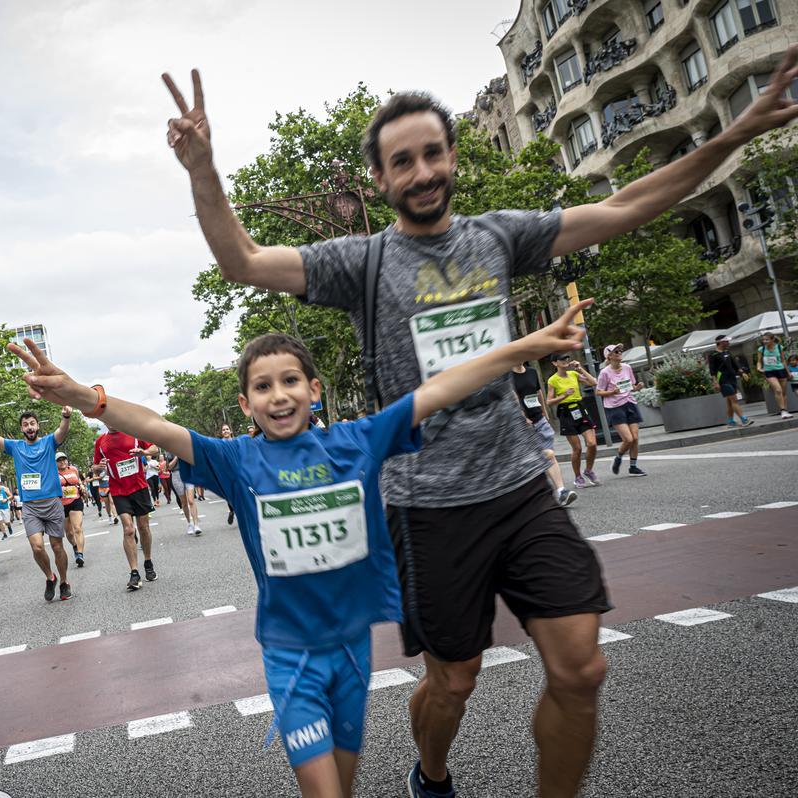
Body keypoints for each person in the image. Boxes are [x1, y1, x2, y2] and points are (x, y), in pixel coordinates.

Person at [158, 55, 798, 795]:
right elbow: (240, 260)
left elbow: (625, 207)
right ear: (382, 180)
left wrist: (734, 132)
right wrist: (203, 167)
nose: (423, 171)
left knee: (581, 667)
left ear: (452, 157)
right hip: (427, 505)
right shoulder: (358, 263)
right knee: (453, 679)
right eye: (403, 162)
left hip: (519, 482)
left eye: (433, 153)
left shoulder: (499, 236)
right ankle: (431, 775)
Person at [7, 299, 590, 798]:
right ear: (245, 404)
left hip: (354, 654)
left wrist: (526, 346)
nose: (278, 395)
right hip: (291, 658)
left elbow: (439, 389)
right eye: (262, 386)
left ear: (314, 389)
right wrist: (84, 395)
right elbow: (154, 424)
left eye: (290, 381)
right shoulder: (235, 460)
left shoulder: (358, 441)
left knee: (344, 779)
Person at [0, 407, 73, 602]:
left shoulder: (49, 442)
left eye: (32, 423)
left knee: (57, 546)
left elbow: (62, 431)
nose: (29, 427)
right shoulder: (16, 447)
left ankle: (64, 581)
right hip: (30, 506)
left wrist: (65, 416)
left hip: (52, 502)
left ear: (37, 426)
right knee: (37, 547)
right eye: (25, 425)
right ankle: (50, 577)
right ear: (22, 429)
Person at [94, 423, 158, 590]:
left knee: (143, 527)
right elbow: (94, 467)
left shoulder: (134, 432)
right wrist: (99, 466)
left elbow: (155, 448)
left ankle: (148, 561)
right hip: (118, 490)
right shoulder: (101, 441)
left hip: (139, 487)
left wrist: (144, 452)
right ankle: (134, 573)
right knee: (129, 529)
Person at [510, 362, 577, 507]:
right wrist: (522, 418)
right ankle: (533, 495)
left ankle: (560, 491)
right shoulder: (508, 376)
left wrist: (545, 413)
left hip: (539, 420)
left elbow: (538, 393)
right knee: (541, 456)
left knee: (549, 454)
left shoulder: (532, 372)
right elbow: (513, 400)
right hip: (523, 424)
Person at [547, 354, 600, 489]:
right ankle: (578, 477)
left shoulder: (574, 374)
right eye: (562, 359)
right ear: (555, 363)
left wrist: (580, 369)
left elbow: (593, 383)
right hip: (566, 413)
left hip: (580, 409)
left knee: (592, 443)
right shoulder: (552, 380)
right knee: (577, 448)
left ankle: (588, 470)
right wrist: (564, 395)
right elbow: (549, 402)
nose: (566, 361)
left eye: (567, 359)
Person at [595, 345, 647, 477]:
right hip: (614, 407)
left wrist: (638, 387)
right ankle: (618, 457)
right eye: (616, 352)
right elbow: (598, 391)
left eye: (620, 351)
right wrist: (612, 392)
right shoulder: (605, 372)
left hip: (630, 403)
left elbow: (632, 387)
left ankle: (633, 467)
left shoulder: (627, 368)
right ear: (609, 356)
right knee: (628, 439)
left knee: (635, 438)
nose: (619, 353)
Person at [708, 334, 754, 427]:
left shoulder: (727, 352)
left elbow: (735, 365)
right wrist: (715, 382)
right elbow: (712, 370)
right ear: (720, 342)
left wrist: (742, 373)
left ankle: (730, 422)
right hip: (723, 380)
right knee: (734, 400)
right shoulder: (713, 355)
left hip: (732, 379)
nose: (728, 342)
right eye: (726, 341)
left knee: (730, 402)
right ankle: (744, 420)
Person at [57, 452, 87, 568]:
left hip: (75, 500)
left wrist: (82, 486)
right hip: (61, 504)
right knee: (69, 533)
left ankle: (80, 554)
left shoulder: (73, 469)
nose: (62, 462)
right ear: (56, 463)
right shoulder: (53, 473)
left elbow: (79, 481)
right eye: (59, 460)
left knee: (77, 528)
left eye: (64, 459)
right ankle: (75, 546)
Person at [755, 332, 793, 419]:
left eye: (767, 339)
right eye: (763, 340)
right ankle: (782, 410)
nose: (764, 341)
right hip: (769, 372)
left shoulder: (779, 347)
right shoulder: (761, 349)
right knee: (778, 390)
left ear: (772, 340)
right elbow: (759, 361)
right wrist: (759, 368)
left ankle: (786, 411)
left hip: (780, 370)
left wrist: (788, 372)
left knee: (783, 392)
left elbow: (783, 361)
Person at [170, 454, 202, 535]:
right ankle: (189, 524)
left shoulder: (185, 446)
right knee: (184, 502)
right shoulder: (169, 448)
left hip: (188, 473)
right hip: (176, 475)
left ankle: (196, 525)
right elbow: (169, 467)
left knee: (191, 501)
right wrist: (177, 456)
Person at [219, 423, 237, 525]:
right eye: (223, 430)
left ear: (230, 431)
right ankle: (232, 511)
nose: (225, 431)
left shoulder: (236, 442)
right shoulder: (220, 444)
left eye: (227, 429)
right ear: (222, 433)